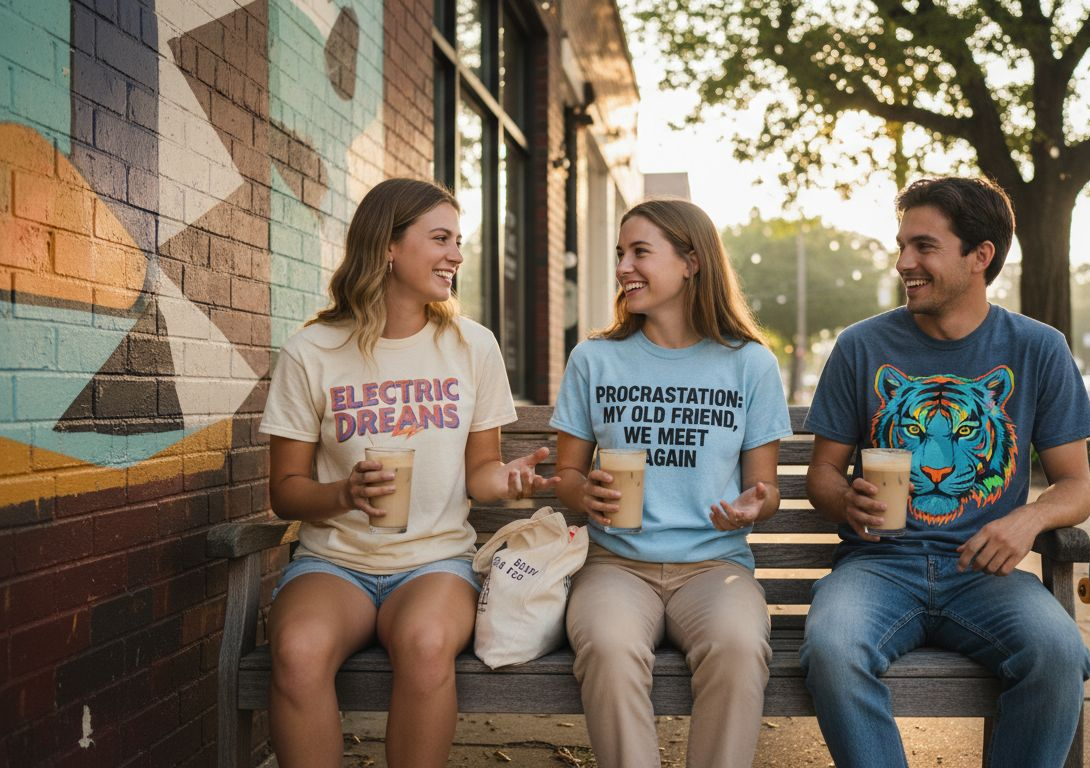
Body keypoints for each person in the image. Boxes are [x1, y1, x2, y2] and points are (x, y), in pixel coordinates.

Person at [259, 178, 558, 768]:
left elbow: (480, 473)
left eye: (458, 240)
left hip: (434, 563)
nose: (457, 254)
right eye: (441, 238)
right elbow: (285, 493)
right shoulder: (311, 350)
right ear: (388, 247)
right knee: (295, 649)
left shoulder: (471, 345)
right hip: (333, 562)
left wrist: (509, 481)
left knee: (425, 646)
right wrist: (343, 492)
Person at [800, 176, 1090, 767]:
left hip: (985, 571)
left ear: (980, 256)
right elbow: (822, 474)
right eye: (902, 245)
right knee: (832, 649)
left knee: (1060, 654)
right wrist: (845, 500)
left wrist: (1028, 520)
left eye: (924, 247)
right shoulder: (860, 346)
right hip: (878, 566)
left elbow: (1076, 487)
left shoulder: (1039, 348)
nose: (904, 262)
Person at [551, 199, 793, 768]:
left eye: (640, 252)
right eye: (619, 254)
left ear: (691, 262)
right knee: (609, 648)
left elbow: (767, 489)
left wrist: (754, 506)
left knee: (738, 648)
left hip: (715, 568)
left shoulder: (749, 364)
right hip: (615, 565)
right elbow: (565, 476)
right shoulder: (594, 359)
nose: (622, 267)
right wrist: (580, 492)